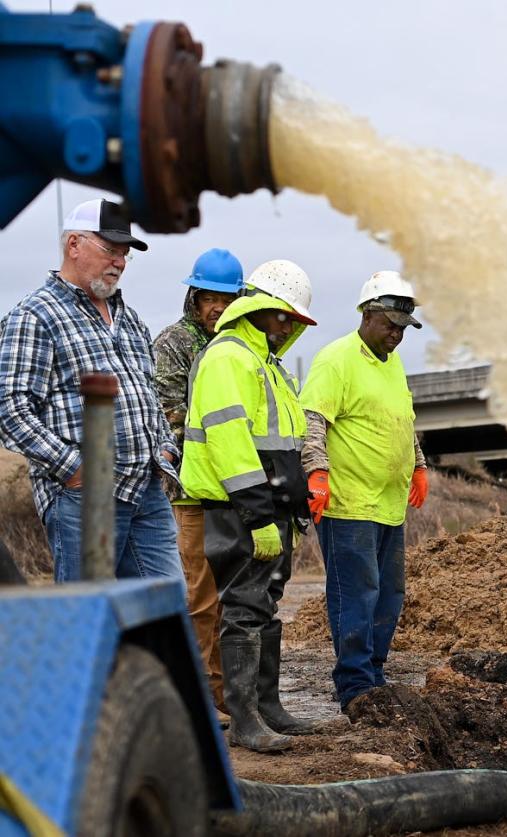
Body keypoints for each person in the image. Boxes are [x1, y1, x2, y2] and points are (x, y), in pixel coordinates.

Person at [0, 198, 182, 582]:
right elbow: (10, 407)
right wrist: (75, 470)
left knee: (165, 615)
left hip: (146, 491)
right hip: (86, 499)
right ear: (74, 245)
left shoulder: (129, 319)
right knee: (92, 618)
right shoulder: (36, 315)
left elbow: (146, 394)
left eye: (125, 254)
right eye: (110, 250)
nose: (119, 261)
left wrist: (164, 447)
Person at [180, 259, 318, 752]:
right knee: (241, 609)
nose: (288, 327)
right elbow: (230, 443)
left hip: (269, 509)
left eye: (293, 321)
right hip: (237, 508)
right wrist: (259, 514)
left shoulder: (269, 366)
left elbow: (285, 444)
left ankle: (268, 707)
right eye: (284, 317)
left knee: (265, 606)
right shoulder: (228, 357)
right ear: (261, 309)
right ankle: (244, 721)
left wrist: (294, 511)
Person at [299, 271, 429, 717]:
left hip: (389, 505)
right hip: (349, 503)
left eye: (403, 328)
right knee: (356, 595)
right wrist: (316, 472)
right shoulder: (336, 360)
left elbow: (402, 420)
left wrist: (419, 466)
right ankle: (355, 687)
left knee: (388, 596)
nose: (396, 335)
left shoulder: (393, 366)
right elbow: (312, 421)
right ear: (367, 314)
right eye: (390, 324)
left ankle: (374, 675)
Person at [153, 249, 244, 716]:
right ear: (195, 296)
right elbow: (168, 410)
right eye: (211, 298)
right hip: (192, 492)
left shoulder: (238, 347)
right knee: (200, 598)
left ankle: (228, 694)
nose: (219, 308)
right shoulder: (174, 343)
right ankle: (203, 699)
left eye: (228, 300)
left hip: (233, 490)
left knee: (233, 602)